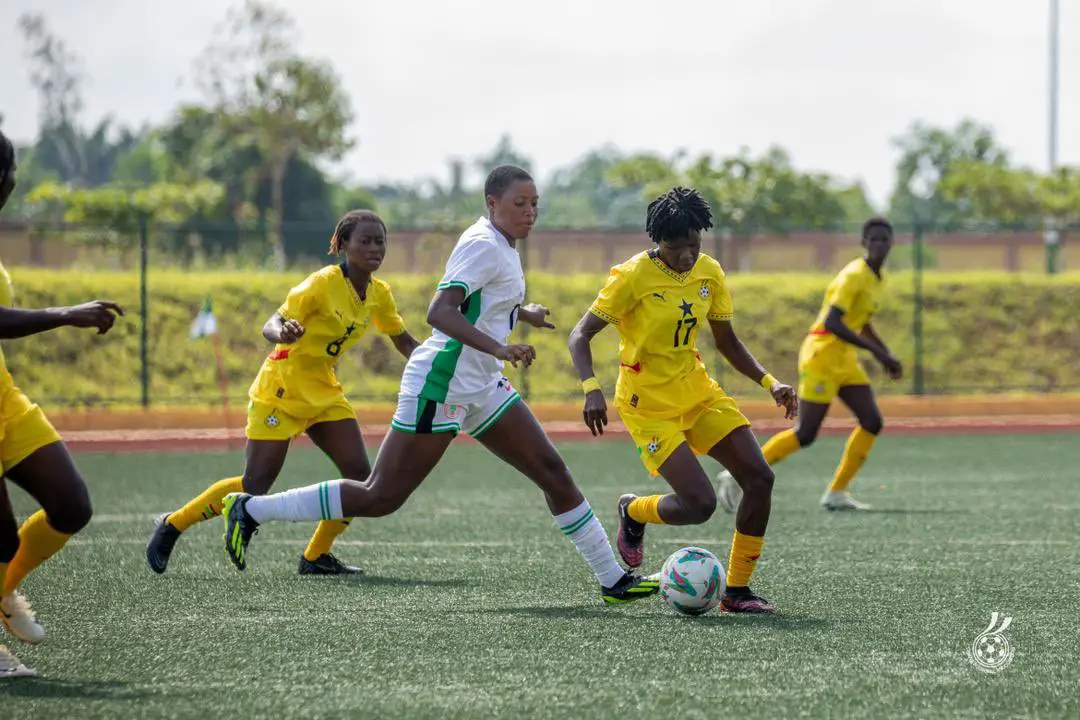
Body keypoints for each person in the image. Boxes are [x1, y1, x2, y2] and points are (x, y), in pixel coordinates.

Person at [219, 165, 659, 604]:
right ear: (492, 204)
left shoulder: (501, 244)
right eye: (519, 204)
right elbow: (440, 312)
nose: (530, 212)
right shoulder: (484, 244)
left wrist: (519, 313)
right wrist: (501, 349)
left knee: (552, 472)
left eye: (535, 203)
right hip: (442, 383)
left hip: (483, 385)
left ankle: (612, 579)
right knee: (380, 496)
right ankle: (251, 508)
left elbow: (477, 300)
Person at [147, 210, 419, 576]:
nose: (374, 248)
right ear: (343, 245)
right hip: (281, 388)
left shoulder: (379, 294)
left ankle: (315, 556)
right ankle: (171, 525)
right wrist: (283, 331)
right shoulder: (320, 284)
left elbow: (403, 341)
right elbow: (270, 323)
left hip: (324, 391)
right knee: (254, 485)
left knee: (361, 477)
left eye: (380, 241)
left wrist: (442, 358)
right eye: (365, 241)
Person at [567, 186, 797, 613]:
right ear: (658, 241)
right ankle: (634, 510)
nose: (687, 255)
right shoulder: (632, 275)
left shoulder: (709, 272)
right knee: (700, 505)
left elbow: (727, 341)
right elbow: (580, 335)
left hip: (698, 393)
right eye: (677, 247)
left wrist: (770, 382)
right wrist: (590, 388)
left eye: (694, 243)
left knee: (760, 479)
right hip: (648, 406)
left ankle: (737, 592)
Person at [0, 129, 125, 677]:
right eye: (11, 173)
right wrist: (65, 313)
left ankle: (4, 593)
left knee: (70, 504)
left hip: (3, 400)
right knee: (0, 535)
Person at [716, 217, 900, 512]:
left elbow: (861, 322)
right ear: (864, 243)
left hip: (844, 358)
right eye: (874, 239)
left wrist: (883, 353)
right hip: (822, 353)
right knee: (806, 433)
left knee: (872, 421)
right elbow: (833, 322)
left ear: (892, 243)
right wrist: (880, 354)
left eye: (885, 239)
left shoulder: (878, 279)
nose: (880, 244)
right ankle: (739, 473)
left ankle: (837, 492)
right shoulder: (853, 275)